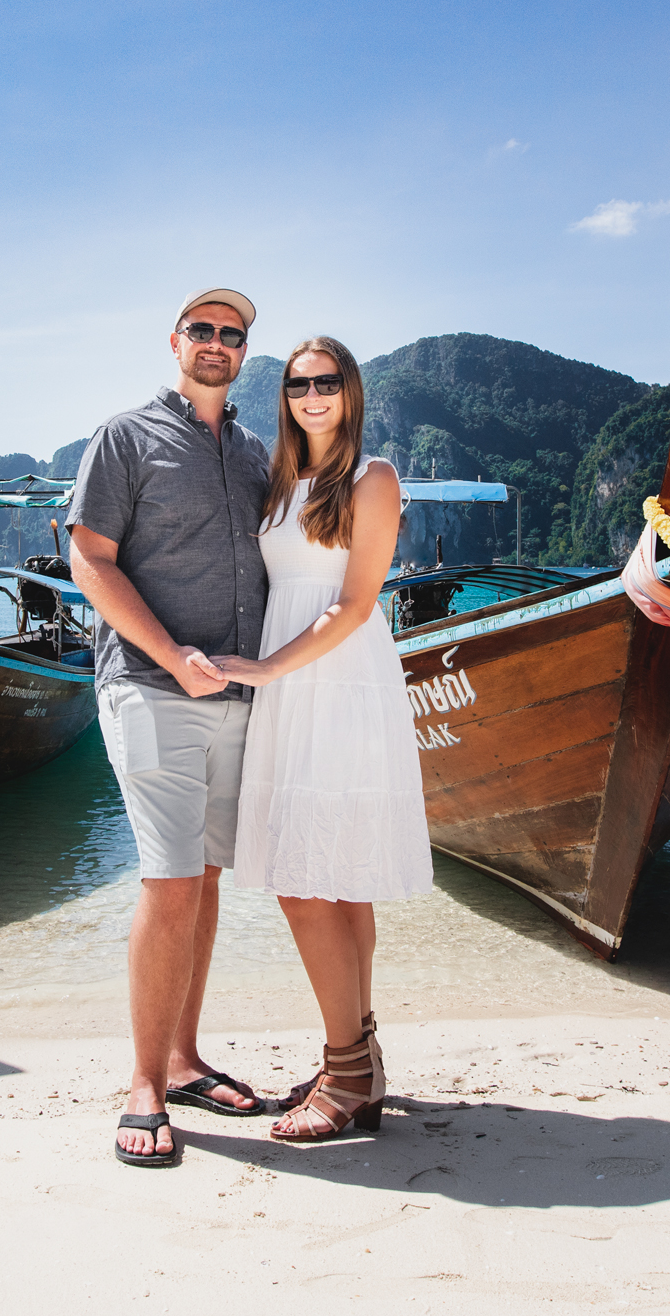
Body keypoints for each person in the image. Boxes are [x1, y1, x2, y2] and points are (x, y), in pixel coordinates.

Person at [66, 288, 274, 1167]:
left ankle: (185, 1060)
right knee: (169, 879)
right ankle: (144, 1084)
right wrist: (170, 651)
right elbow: (90, 560)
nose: (218, 343)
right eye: (204, 330)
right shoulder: (124, 437)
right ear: (175, 340)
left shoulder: (258, 452)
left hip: (239, 695)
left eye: (233, 334)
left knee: (209, 877)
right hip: (151, 686)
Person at [211, 335, 433, 1142]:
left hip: (336, 680)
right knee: (330, 879)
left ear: (350, 390)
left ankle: (344, 1075)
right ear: (287, 395)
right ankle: (360, 1062)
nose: (313, 395)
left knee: (311, 876)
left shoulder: (372, 478)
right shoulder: (279, 481)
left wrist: (268, 671)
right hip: (286, 678)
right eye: (300, 383)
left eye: (327, 381)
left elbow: (358, 601)